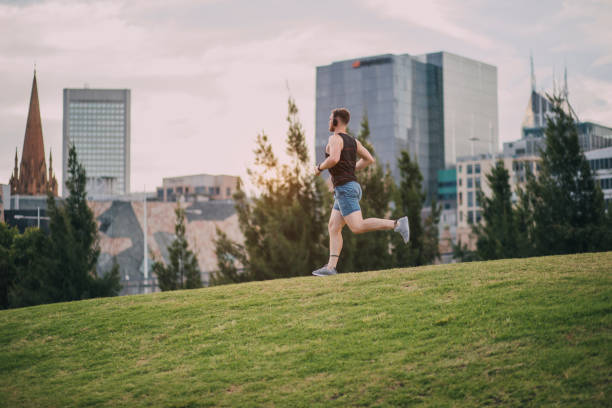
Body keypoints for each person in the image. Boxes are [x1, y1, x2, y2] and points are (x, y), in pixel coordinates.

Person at [312, 107, 409, 277]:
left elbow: (333, 159)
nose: (328, 122)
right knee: (334, 226)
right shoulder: (353, 141)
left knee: (357, 226)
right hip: (349, 187)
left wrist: (319, 167)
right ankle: (330, 267)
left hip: (345, 189)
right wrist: (351, 169)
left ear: (336, 121)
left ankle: (397, 224)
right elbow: (369, 159)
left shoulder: (335, 138)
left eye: (330, 119)